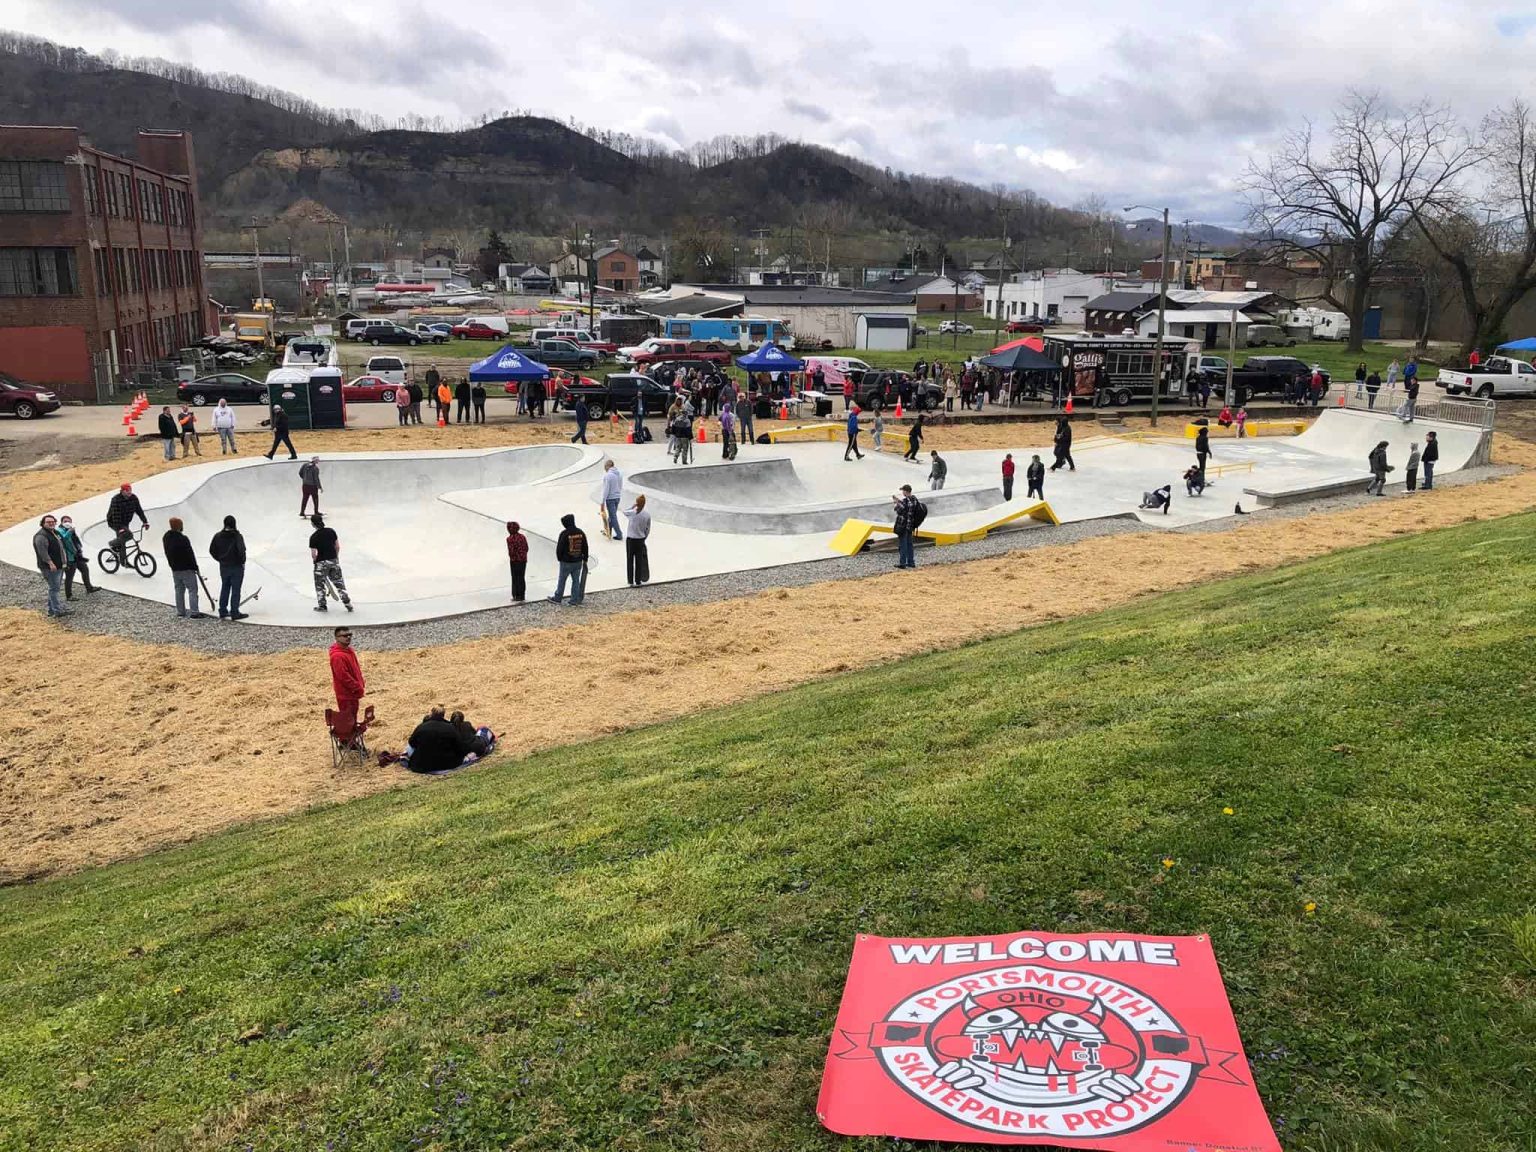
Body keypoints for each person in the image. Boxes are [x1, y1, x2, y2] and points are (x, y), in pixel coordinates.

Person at [404, 707, 475, 774]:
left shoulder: (421, 727)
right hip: (447, 764)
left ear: (431, 714)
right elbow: (459, 746)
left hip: (422, 765)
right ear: (443, 715)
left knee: (408, 747)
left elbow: (412, 743)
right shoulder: (451, 728)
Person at [162, 516, 206, 618]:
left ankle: (180, 611)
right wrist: (195, 567)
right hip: (186, 568)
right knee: (192, 590)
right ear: (179, 527)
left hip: (174, 568)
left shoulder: (166, 537)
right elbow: (190, 554)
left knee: (179, 590)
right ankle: (194, 612)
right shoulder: (183, 539)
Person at [208, 514, 249, 621]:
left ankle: (222, 610)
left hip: (224, 566)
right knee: (236, 589)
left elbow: (212, 550)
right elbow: (241, 551)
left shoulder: (217, 536)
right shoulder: (237, 536)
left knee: (225, 587)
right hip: (236, 566)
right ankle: (234, 612)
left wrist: (220, 559)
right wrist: (242, 562)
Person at [309, 514, 352, 612]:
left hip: (321, 563)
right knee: (339, 583)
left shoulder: (313, 537)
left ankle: (322, 605)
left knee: (320, 585)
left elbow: (314, 554)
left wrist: (315, 562)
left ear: (312, 524)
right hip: (333, 560)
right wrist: (335, 558)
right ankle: (347, 602)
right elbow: (337, 546)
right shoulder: (331, 531)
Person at [329, 625, 365, 732]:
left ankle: (350, 741)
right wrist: (357, 687)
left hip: (352, 693)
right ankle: (347, 742)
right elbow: (343, 677)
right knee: (348, 720)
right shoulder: (337, 656)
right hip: (346, 694)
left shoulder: (349, 651)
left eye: (350, 635)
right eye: (345, 636)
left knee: (352, 718)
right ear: (337, 637)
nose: (348, 637)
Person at [34, 514, 68, 618]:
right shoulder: (41, 536)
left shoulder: (55, 532)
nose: (51, 523)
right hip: (50, 567)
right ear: (43, 524)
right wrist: (50, 563)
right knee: (54, 589)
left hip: (59, 565)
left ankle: (51, 610)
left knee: (54, 587)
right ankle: (57, 611)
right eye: (48, 522)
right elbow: (42, 552)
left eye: (53, 521)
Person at [550, 513, 589, 605]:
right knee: (576, 581)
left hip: (566, 561)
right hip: (578, 560)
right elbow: (585, 546)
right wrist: (585, 558)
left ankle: (558, 597)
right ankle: (574, 599)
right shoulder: (581, 532)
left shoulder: (564, 533)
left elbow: (559, 548)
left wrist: (559, 558)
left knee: (562, 580)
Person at [106, 482, 149, 562]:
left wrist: (145, 522)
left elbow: (139, 510)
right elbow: (115, 515)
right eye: (127, 491)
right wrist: (119, 528)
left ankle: (123, 561)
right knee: (128, 535)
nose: (129, 492)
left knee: (123, 540)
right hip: (114, 522)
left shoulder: (134, 498)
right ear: (122, 491)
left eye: (130, 490)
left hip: (125, 522)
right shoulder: (116, 499)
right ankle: (112, 544)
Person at [56, 515, 96, 598]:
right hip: (69, 557)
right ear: (61, 522)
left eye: (69, 521)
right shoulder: (59, 531)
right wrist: (70, 531)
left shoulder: (71, 530)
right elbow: (64, 540)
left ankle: (89, 587)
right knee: (70, 576)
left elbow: (76, 541)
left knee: (85, 569)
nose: (67, 523)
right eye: (65, 521)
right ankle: (69, 595)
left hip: (77, 555)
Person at [624, 494, 651, 587]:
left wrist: (633, 506)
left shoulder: (632, 513)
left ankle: (630, 580)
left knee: (630, 560)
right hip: (640, 539)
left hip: (631, 539)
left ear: (637, 503)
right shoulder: (647, 515)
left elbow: (624, 511)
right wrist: (644, 537)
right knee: (639, 561)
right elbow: (648, 529)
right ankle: (638, 580)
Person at [893, 484, 920, 569]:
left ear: (905, 491)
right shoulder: (914, 499)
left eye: (903, 491)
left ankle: (902, 563)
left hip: (903, 526)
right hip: (910, 525)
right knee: (909, 544)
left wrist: (896, 503)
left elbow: (898, 510)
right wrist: (899, 502)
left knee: (903, 545)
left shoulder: (905, 501)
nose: (902, 492)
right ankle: (911, 562)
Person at [505, 520, 528, 602]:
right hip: (523, 560)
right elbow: (526, 548)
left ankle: (516, 595)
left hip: (514, 561)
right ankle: (522, 595)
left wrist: (513, 557)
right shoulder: (522, 536)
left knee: (515, 578)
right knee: (521, 577)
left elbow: (511, 552)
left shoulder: (509, 539)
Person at [600, 460, 624, 540]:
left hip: (610, 499)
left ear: (607, 466)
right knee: (611, 516)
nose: (605, 469)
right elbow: (620, 486)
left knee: (613, 517)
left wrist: (602, 502)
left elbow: (605, 490)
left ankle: (619, 534)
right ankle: (608, 531)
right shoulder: (619, 474)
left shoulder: (608, 476)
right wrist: (617, 494)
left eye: (605, 467)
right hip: (617, 497)